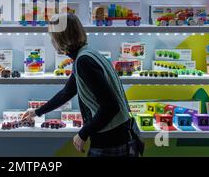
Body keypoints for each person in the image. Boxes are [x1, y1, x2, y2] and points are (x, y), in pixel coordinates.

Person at [21, 13, 144, 157]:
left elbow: (111, 106)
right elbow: (67, 92)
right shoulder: (86, 55)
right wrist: (36, 112)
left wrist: (83, 133)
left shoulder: (84, 61)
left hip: (111, 142)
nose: (51, 41)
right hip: (117, 136)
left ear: (62, 38)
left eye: (52, 37)